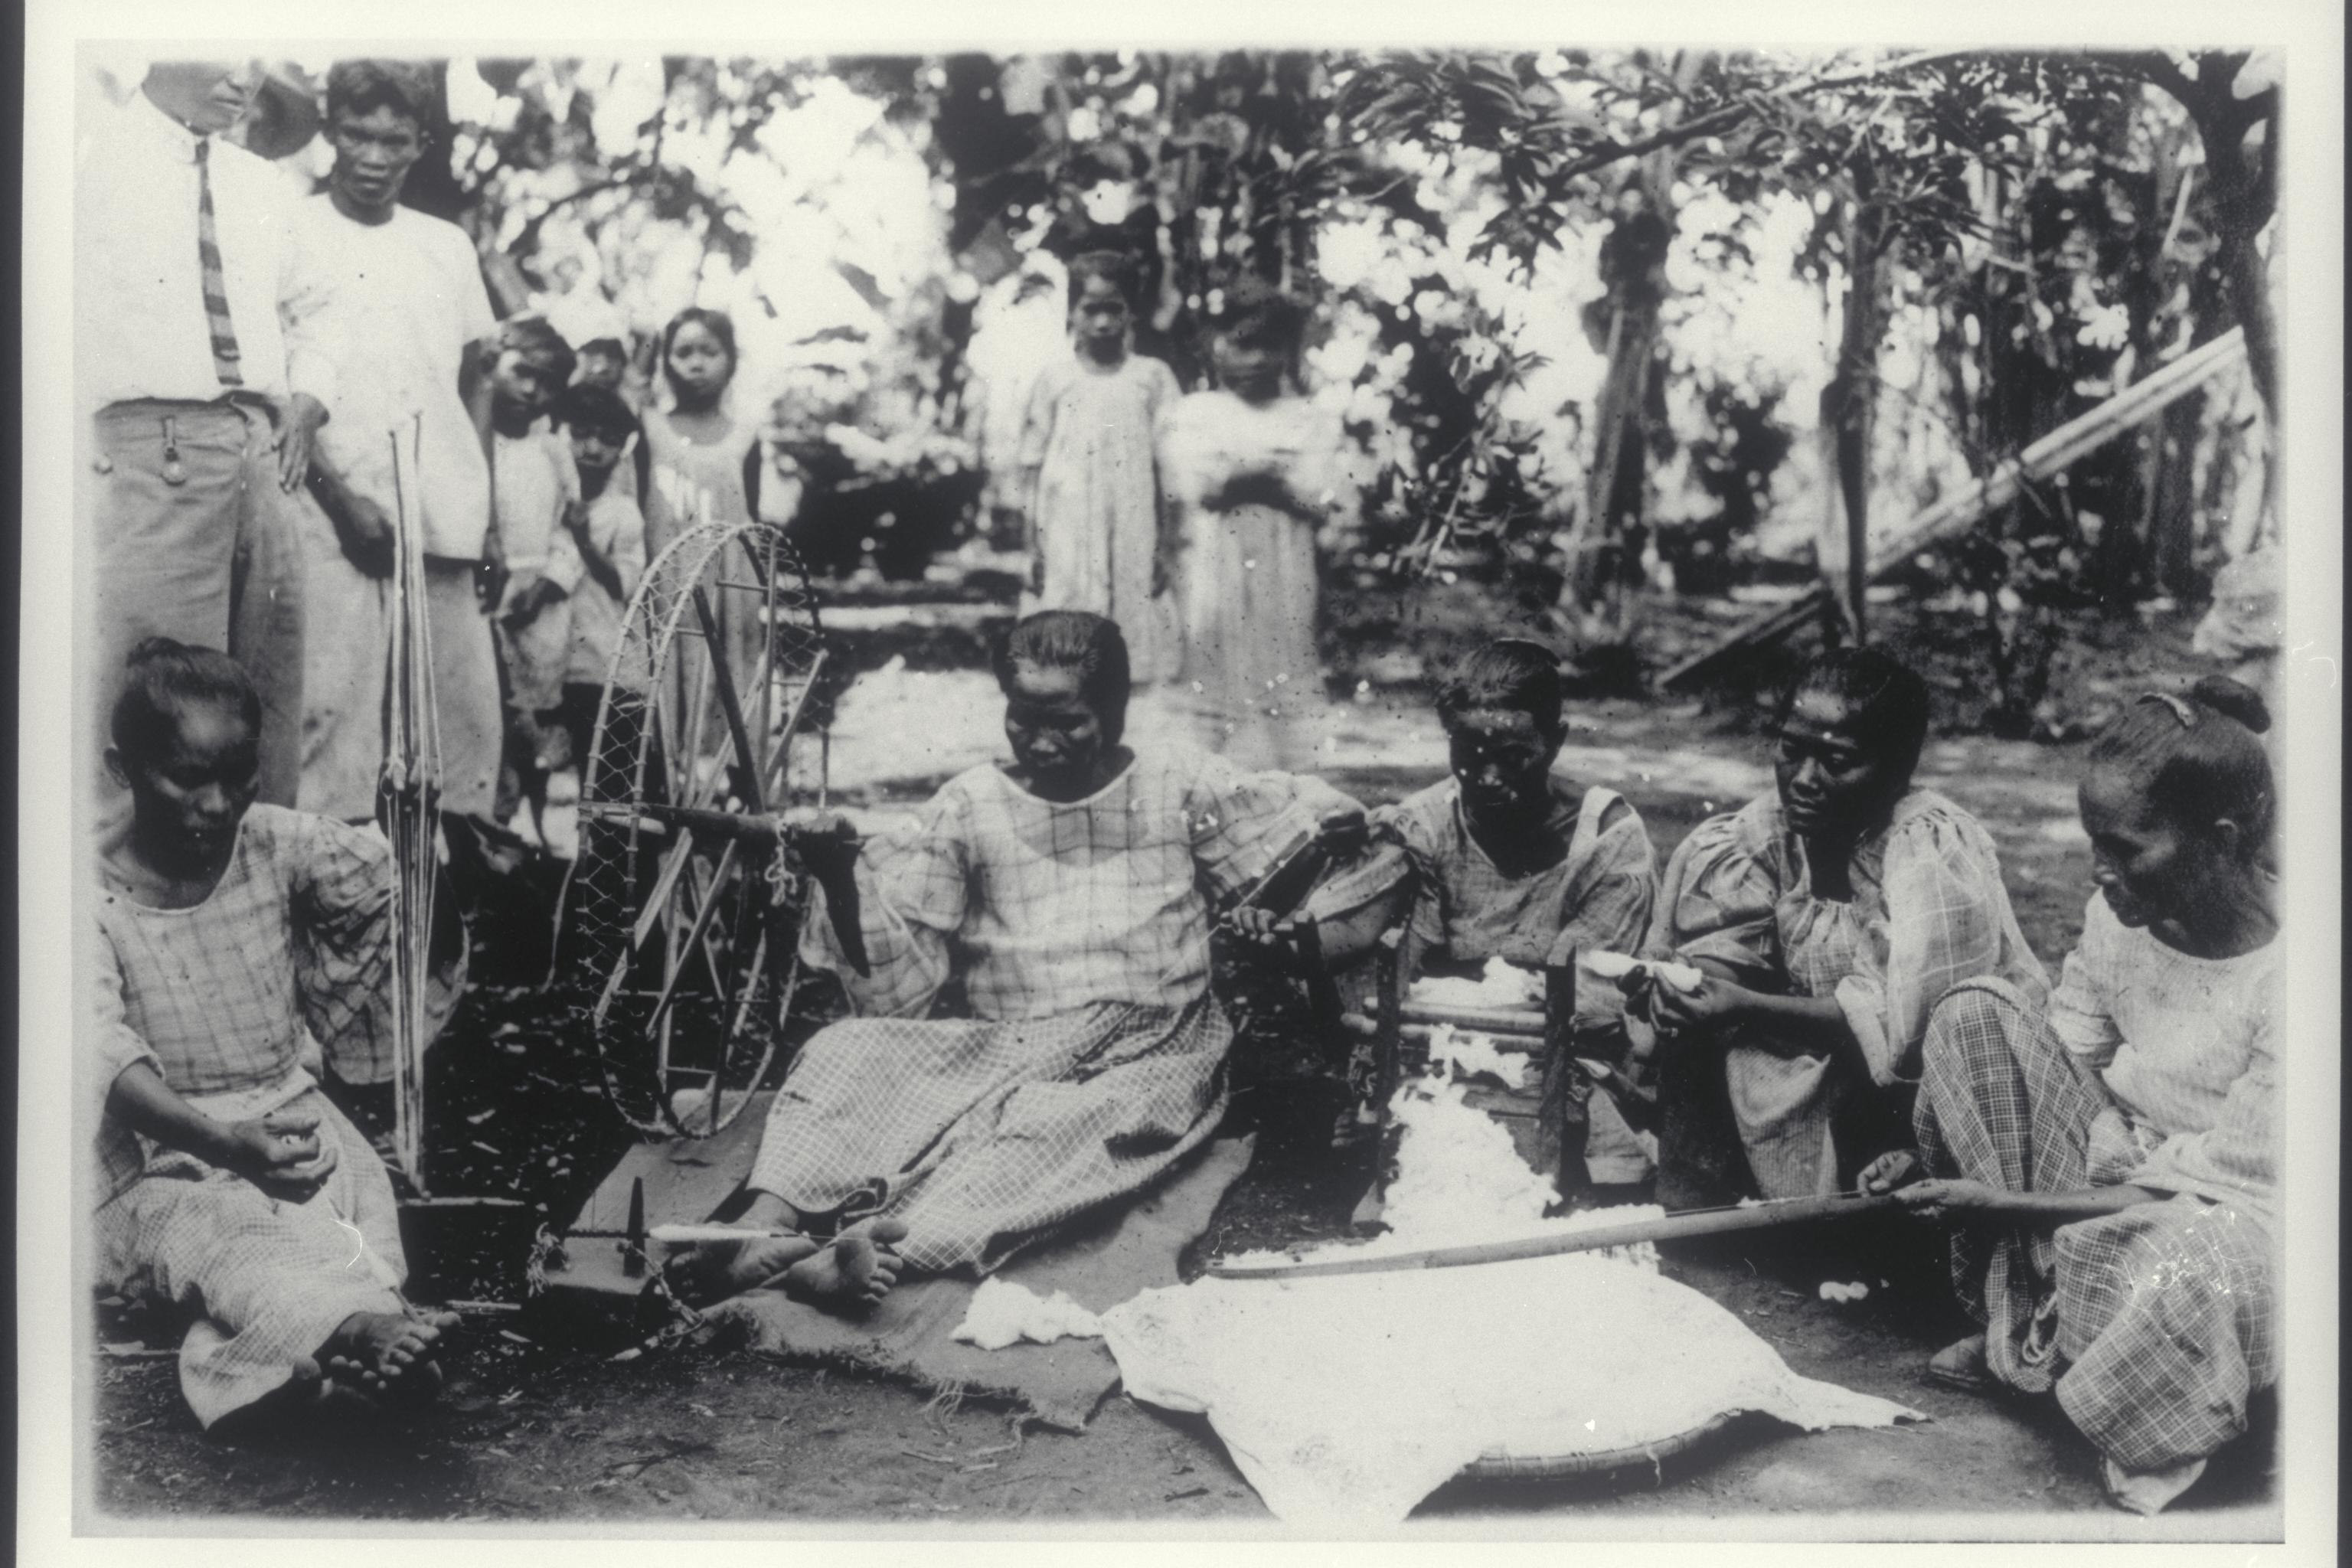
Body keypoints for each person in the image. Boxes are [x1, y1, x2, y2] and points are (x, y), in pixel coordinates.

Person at [666, 611, 1365, 1312]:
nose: (1041, 741)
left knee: (1058, 1130)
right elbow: (894, 992)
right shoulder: (973, 804)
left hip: (1151, 1045)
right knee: (845, 1051)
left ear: (1113, 711)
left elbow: (1299, 829)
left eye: (1068, 723)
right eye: (1023, 720)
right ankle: (763, 1226)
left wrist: (1332, 829)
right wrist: (838, 878)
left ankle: (867, 1252)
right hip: (1009, 1040)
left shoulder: (1177, 781)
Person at [1863, 678, 2278, 1516]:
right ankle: (2050, 1337)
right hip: (2121, 1159)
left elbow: (2231, 1189)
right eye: (2094, 842)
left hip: (2234, 1209)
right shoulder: (2114, 916)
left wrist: (2005, 1201)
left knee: (2198, 1261)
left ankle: (2088, 1368)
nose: (2100, 870)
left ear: (2222, 841)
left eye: (2125, 848)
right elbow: (2062, 1055)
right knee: (1977, 1014)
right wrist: (1946, 1146)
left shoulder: (2300, 972)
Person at [92, 639, 455, 1431]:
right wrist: (226, 1145)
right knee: (224, 1229)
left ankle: (270, 1379)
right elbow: (103, 1058)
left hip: (287, 1122)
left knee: (343, 1225)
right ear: (123, 771)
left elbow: (385, 892)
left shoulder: (274, 841)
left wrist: (411, 834)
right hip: (156, 1156)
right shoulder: (85, 891)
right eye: (187, 779)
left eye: (239, 776)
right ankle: (361, 1334)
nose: (219, 804)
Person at [1629, 648, 2047, 1207]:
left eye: (1837, 761)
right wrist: (1694, 987)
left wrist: (1741, 1005)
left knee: (1859, 1092)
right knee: (1692, 1037)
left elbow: (1901, 1034)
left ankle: (1843, 1235)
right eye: (1790, 750)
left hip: (1916, 1083)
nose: (1804, 780)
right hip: (1813, 1055)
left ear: (1898, 768)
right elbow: (1731, 945)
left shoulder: (1927, 849)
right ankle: (1694, 1223)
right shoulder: (1769, 831)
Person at [79, 57, 339, 828]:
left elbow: (320, 307)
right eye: (222, 52)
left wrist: (309, 399)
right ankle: (128, 895)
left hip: (261, 454)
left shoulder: (261, 184)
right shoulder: (85, 157)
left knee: (263, 703)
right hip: (144, 454)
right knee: (158, 706)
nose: (243, 80)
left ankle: (256, 888)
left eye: (255, 60)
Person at [1308, 639, 1661, 1188]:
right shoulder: (1428, 824)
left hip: (1560, 1052)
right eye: (1469, 754)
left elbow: (1592, 998)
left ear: (1556, 741)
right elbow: (1397, 961)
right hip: (1437, 1043)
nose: (1489, 777)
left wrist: (1452, 999)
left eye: (1514, 757)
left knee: (1570, 1138)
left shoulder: (1608, 838)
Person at [289, 60, 504, 827]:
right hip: (328, 513)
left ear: (421, 145)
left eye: (394, 140)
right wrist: (340, 500)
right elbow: (280, 390)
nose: (374, 157)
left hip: (441, 516)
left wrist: (484, 513)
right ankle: (335, 885)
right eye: (357, 135)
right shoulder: (292, 229)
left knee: (461, 736)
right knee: (330, 721)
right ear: (330, 133)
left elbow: (477, 377)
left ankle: (452, 894)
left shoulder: (446, 245)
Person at [1164, 280, 1355, 771]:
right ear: (1217, 344)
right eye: (1242, 344)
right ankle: (1197, 784)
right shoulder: (1197, 412)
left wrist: (1249, 476)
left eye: (1268, 346)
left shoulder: (1308, 419)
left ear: (1288, 351)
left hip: (1285, 568)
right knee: (1209, 681)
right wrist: (1269, 476)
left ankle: (1299, 787)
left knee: (1288, 675)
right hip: (1214, 569)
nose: (1254, 360)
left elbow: (1317, 495)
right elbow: (1202, 488)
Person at [1013, 250, 1184, 684]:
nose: (1103, 322)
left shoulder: (1153, 378)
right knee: (1067, 608)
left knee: (1135, 607)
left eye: (1114, 309)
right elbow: (1032, 466)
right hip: (1067, 521)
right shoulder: (1055, 379)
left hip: (1133, 519)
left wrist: (1166, 544)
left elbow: (1171, 468)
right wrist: (1031, 545)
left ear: (1132, 312)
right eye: (1091, 309)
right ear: (1072, 311)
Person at [482, 317, 583, 835]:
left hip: (539, 608)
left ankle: (541, 831)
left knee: (535, 726)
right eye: (521, 372)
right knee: (491, 714)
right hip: (487, 599)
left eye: (546, 383)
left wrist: (546, 586)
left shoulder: (552, 450)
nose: (530, 391)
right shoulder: (479, 445)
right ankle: (497, 828)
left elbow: (571, 527)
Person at [548, 383, 649, 778]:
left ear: (623, 448)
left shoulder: (622, 512)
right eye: (581, 434)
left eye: (607, 440)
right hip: (544, 655)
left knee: (606, 771)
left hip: (598, 660)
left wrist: (585, 541)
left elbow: (623, 584)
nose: (592, 449)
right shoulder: (545, 497)